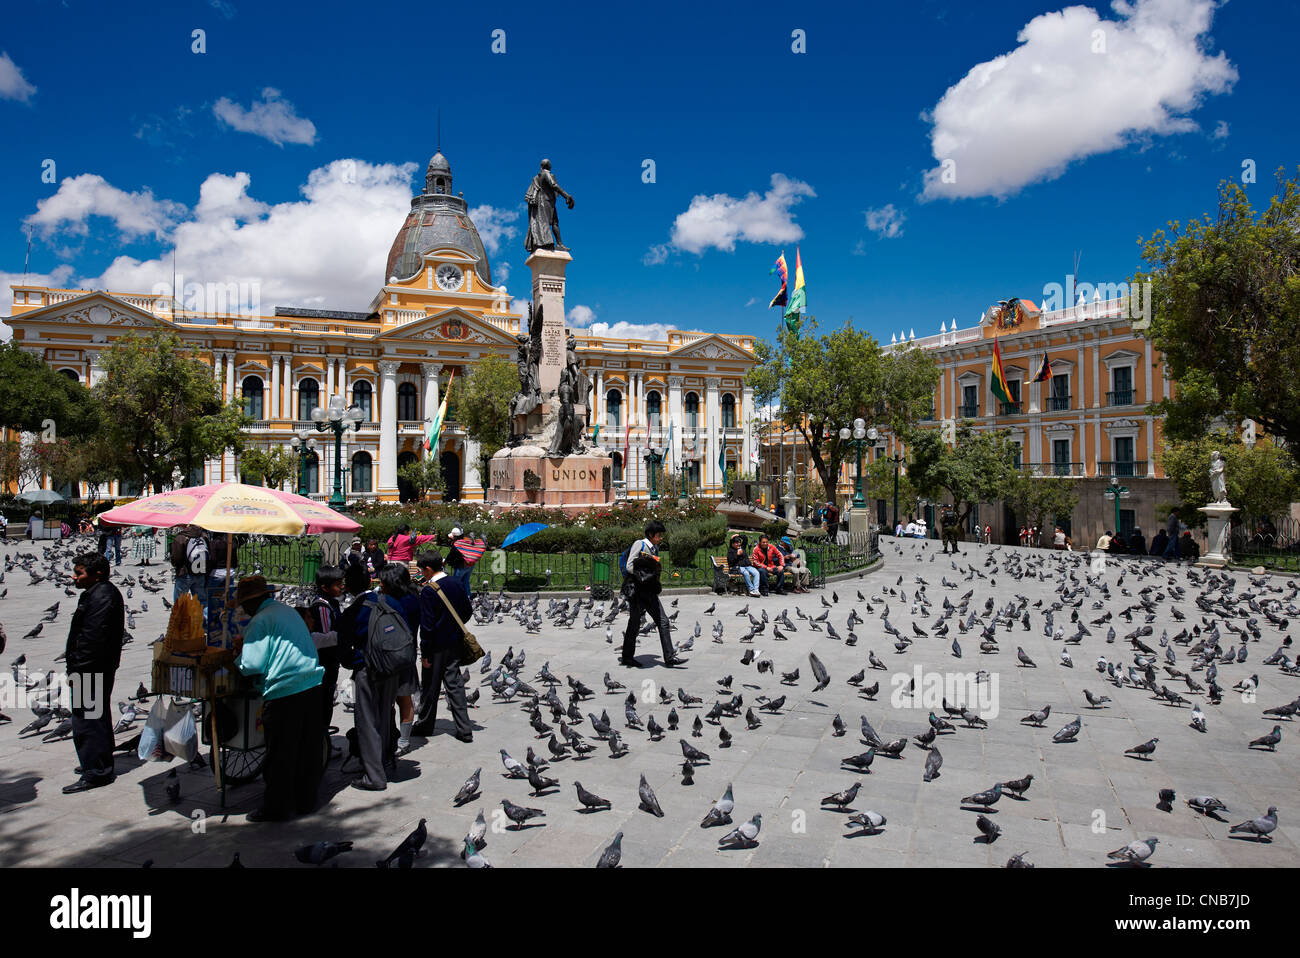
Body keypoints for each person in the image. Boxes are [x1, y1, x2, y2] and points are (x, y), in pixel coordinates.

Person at [219, 575, 325, 820]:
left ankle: (276, 807)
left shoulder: (261, 620)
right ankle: (306, 801)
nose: (243, 609)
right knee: (306, 750)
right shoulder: (285, 611)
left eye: (245, 604)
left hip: (285, 691)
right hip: (311, 684)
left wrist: (237, 658)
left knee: (281, 753)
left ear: (253, 602)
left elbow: (252, 664)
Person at [341, 564, 419, 790]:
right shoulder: (398, 603)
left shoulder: (361, 606)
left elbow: (345, 637)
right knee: (385, 716)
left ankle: (374, 776)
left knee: (367, 722)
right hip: (393, 667)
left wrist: (353, 661)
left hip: (368, 668)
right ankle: (385, 760)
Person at [62, 553, 125, 794]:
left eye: (79, 573)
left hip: (91, 667)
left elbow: (92, 638)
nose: (74, 577)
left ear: (97, 574)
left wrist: (77, 667)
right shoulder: (101, 593)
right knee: (96, 715)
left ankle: (97, 771)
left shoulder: (101, 597)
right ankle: (98, 760)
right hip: (97, 665)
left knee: (87, 719)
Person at [411, 551, 474, 742]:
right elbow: (467, 611)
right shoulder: (456, 583)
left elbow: (427, 626)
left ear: (428, 569)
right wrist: (453, 627)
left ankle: (425, 724)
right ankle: (464, 729)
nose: (422, 574)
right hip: (454, 642)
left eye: (422, 570)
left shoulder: (430, 590)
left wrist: (425, 652)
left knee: (430, 687)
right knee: (454, 685)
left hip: (436, 646)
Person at [621, 520, 681, 668]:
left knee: (663, 621)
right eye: (659, 535)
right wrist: (643, 575)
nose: (661, 538)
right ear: (651, 534)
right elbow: (629, 566)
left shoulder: (654, 548)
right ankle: (627, 658)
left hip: (650, 592)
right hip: (638, 592)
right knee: (634, 624)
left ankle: (669, 657)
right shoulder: (639, 544)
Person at [307, 566, 345, 735]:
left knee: (327, 700)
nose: (341, 587)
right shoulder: (322, 607)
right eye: (338, 584)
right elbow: (323, 637)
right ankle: (321, 739)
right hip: (325, 662)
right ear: (325, 587)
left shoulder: (332, 603)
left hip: (331, 661)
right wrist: (345, 635)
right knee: (323, 701)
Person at [170, 524, 209, 606]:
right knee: (201, 601)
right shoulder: (203, 536)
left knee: (180, 602)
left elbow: (176, 558)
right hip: (200, 571)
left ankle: (182, 618)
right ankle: (204, 618)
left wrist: (176, 566)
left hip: (185, 572)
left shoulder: (181, 537)